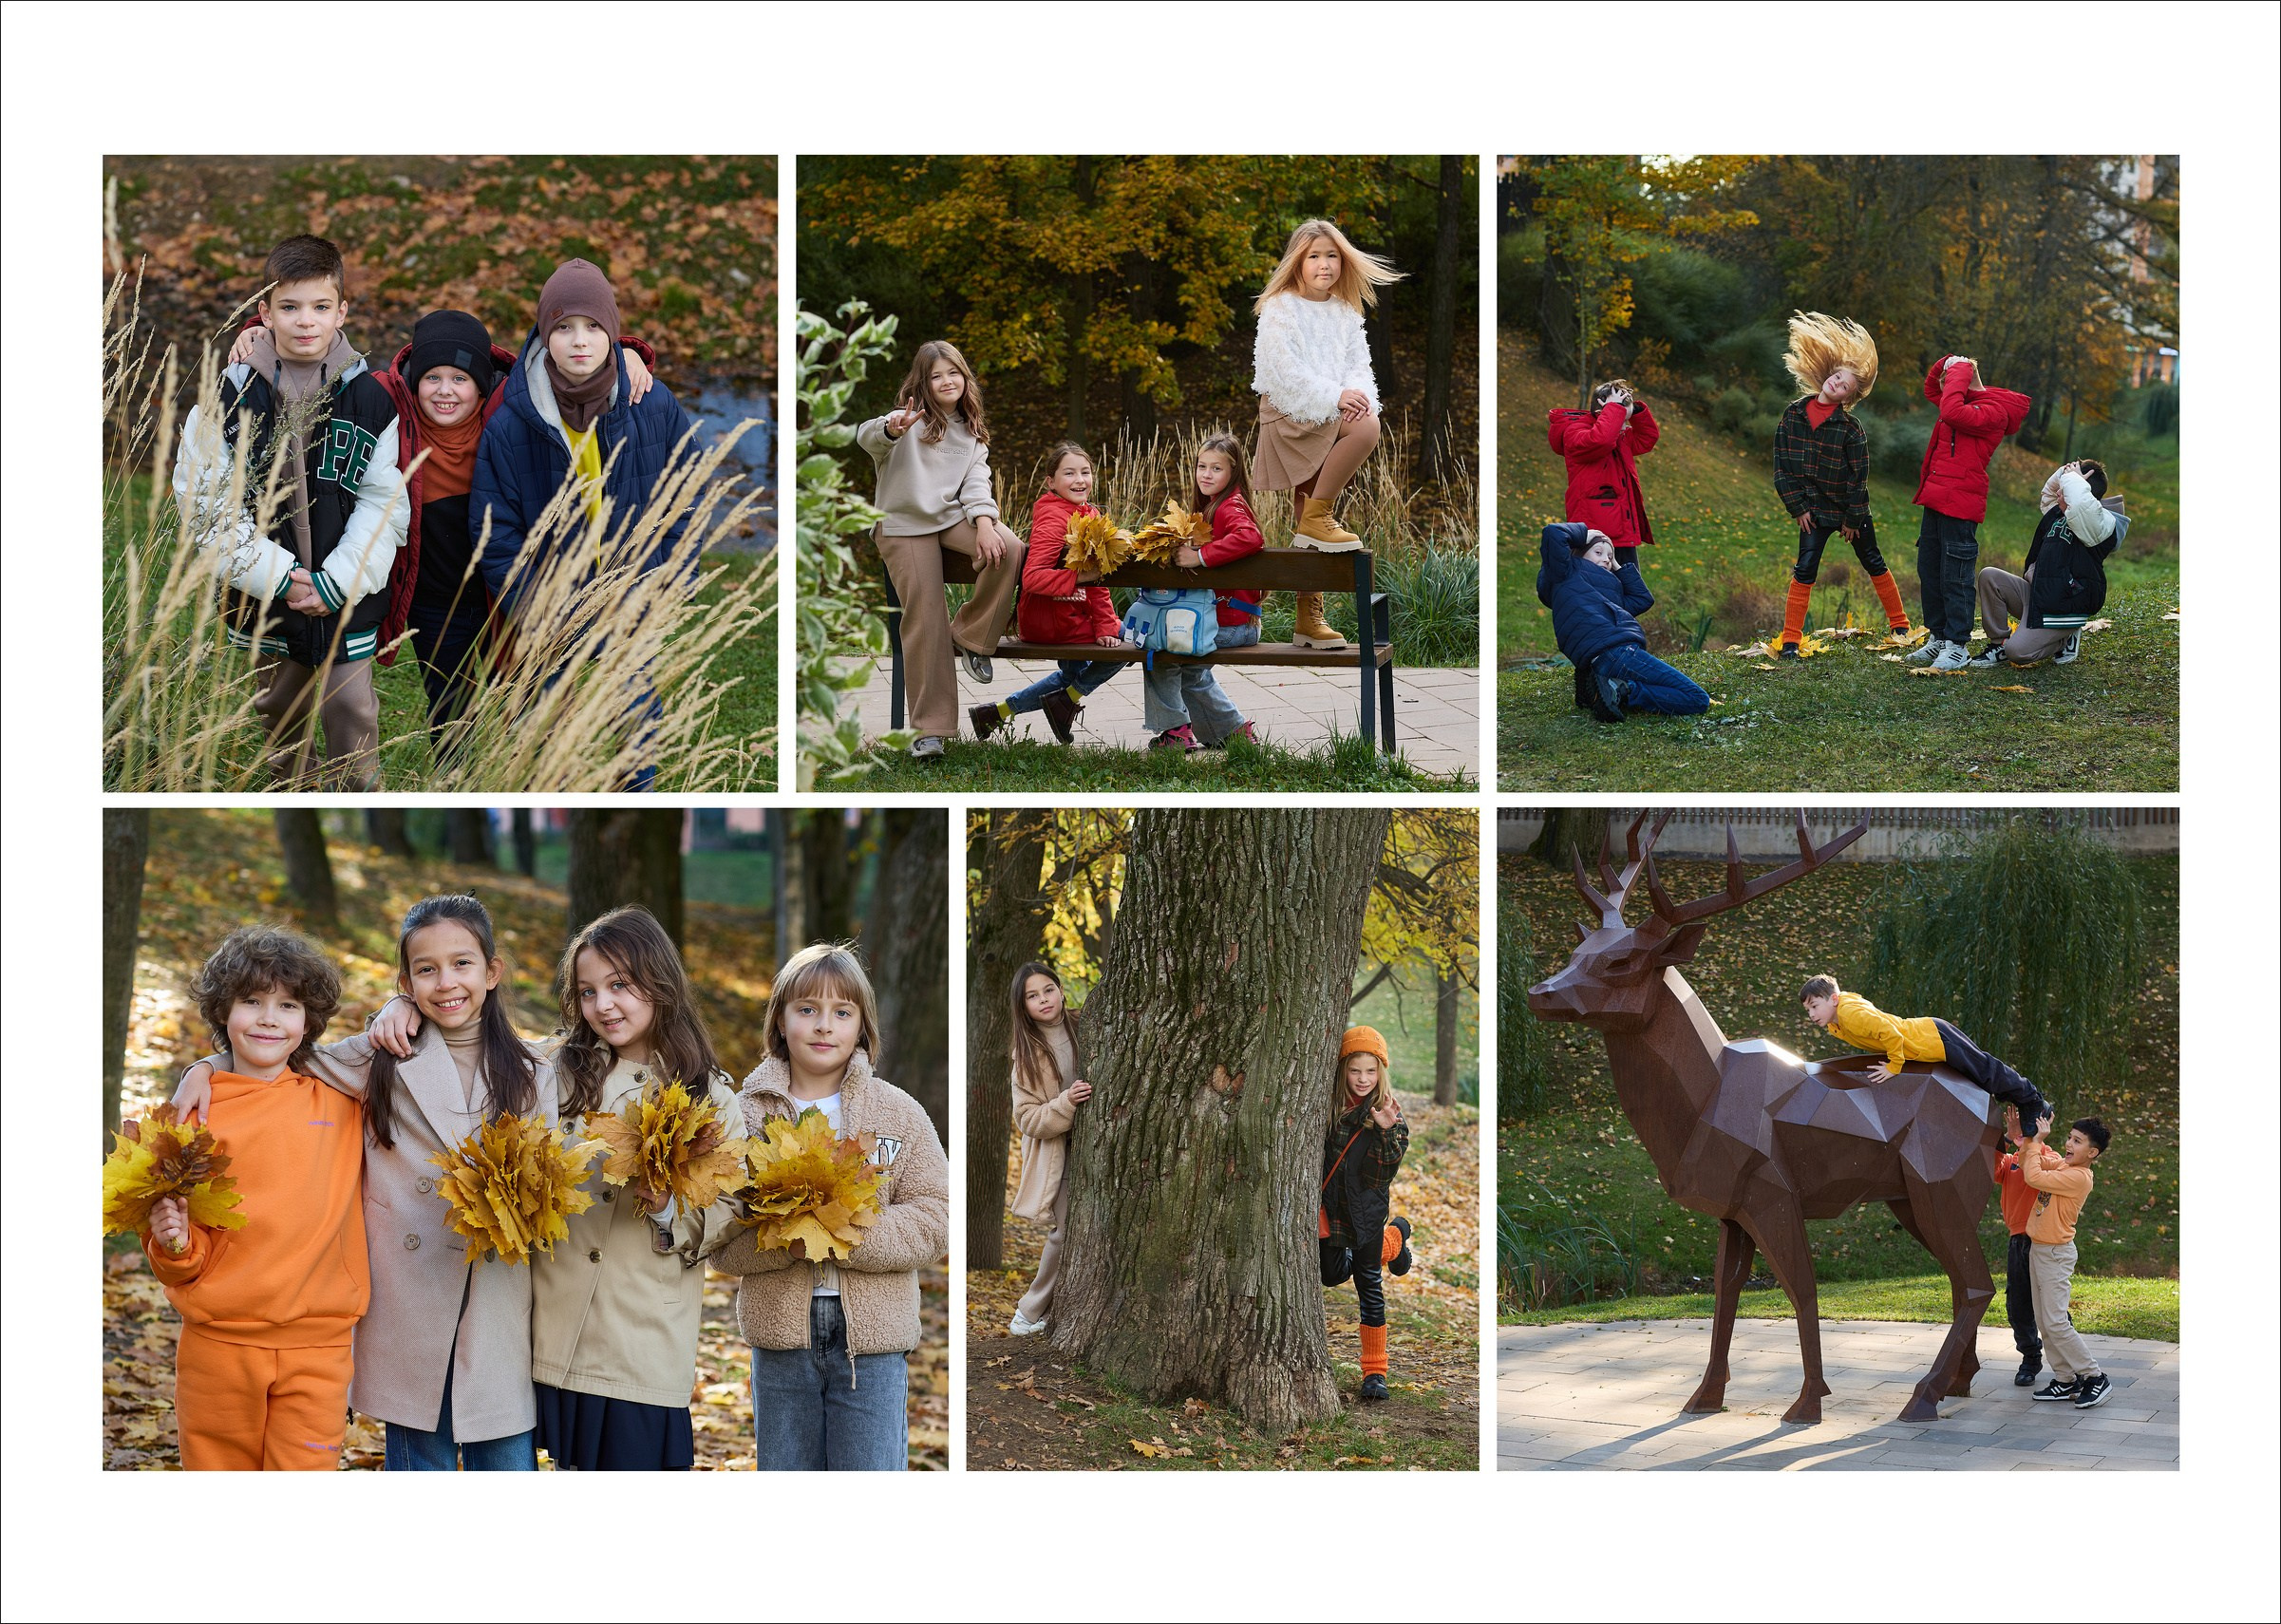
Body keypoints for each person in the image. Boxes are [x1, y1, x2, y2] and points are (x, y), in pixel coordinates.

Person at [177, 893, 552, 1470]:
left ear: (493, 972)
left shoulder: (536, 1070)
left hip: (496, 1297)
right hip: (411, 1300)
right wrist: (201, 1068)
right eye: (425, 970)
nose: (446, 981)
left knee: (505, 1458)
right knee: (418, 1458)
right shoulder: (383, 1054)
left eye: (462, 964)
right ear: (407, 981)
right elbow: (284, 1056)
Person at [170, 234, 407, 787]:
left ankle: (359, 791)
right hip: (264, 593)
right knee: (280, 706)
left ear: (342, 311)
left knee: (352, 708)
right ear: (265, 312)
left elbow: (384, 501)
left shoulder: (370, 399)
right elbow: (206, 503)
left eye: (321, 307)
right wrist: (282, 578)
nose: (306, 322)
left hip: (347, 592)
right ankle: (295, 783)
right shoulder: (230, 395)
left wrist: (337, 582)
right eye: (290, 307)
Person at [710, 944, 949, 1470]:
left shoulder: (897, 1112)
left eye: (842, 1013)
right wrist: (789, 1238)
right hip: (781, 1339)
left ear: (862, 1026)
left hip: (873, 1344)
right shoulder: (743, 1117)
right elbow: (719, 1239)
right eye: (807, 1010)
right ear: (780, 1019)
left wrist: (843, 1229)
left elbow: (936, 1216)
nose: (824, 1026)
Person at [529, 906, 747, 1470]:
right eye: (587, 991)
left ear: (661, 983)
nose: (603, 1005)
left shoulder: (709, 1097)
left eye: (620, 985)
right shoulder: (553, 1071)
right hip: (547, 1331)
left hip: (641, 1341)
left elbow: (729, 1210)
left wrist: (669, 1207)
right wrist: (400, 1004)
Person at [145, 928, 366, 1470]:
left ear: (308, 1021)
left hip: (320, 1344)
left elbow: (418, 1047)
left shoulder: (344, 1101)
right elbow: (174, 1243)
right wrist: (173, 1246)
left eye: (288, 1005)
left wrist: (403, 1003)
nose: (269, 1018)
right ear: (224, 1011)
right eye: (252, 1002)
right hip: (219, 1344)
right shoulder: (192, 1115)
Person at [858, 340, 1027, 760]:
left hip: (950, 517)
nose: (946, 381)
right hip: (902, 525)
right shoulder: (905, 420)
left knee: (1009, 546)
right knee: (926, 617)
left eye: (953, 372)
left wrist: (986, 524)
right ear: (924, 383)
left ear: (964, 377)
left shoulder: (971, 432)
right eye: (936, 376)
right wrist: (892, 427)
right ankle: (928, 731)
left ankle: (972, 636)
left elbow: (976, 484)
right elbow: (867, 437)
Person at [1251, 217, 1404, 649]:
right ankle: (1310, 603)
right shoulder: (1280, 307)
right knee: (1308, 512)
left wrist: (1356, 395)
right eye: (1314, 256)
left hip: (1334, 410)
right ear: (1298, 262)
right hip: (1294, 412)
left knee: (1367, 423)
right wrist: (1335, 395)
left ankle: (1307, 620)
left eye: (1332, 256)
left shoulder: (1345, 310)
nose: (1324, 265)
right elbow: (1280, 371)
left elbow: (1359, 364)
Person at [1770, 312, 1911, 658]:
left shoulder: (1851, 429)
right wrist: (1798, 507)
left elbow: (1859, 478)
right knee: (1805, 567)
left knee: (1873, 559)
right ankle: (1790, 641)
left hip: (1849, 508)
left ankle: (1901, 625)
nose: (1836, 383)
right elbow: (1781, 467)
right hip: (1813, 511)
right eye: (1836, 376)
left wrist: (1852, 518)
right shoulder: (1793, 414)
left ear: (1849, 397)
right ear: (1827, 376)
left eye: (1845, 384)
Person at [971, 442, 1126, 745]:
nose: (1080, 479)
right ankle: (1064, 702)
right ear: (1050, 482)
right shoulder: (1055, 519)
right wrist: (1081, 578)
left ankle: (996, 714)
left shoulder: (1088, 513)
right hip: (1050, 618)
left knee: (1072, 676)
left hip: (1067, 612)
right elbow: (1033, 578)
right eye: (1069, 473)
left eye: (1085, 472)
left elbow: (1096, 585)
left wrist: (1103, 624)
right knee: (1128, 643)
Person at [1911, 353, 2031, 670]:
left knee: (1955, 575)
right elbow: (1931, 389)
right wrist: (1949, 361)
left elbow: (1950, 410)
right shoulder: (1964, 400)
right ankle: (1938, 638)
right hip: (1936, 497)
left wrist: (1963, 369)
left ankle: (1957, 645)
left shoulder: (1995, 413)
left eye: (1959, 377)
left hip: (1961, 502)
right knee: (1930, 570)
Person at [1146, 433, 1265, 752]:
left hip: (1234, 624)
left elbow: (1251, 537)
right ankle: (1228, 732)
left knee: (1164, 654)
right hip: (1230, 620)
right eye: (1202, 466)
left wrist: (1200, 556)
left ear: (1234, 472)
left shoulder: (1229, 507)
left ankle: (1178, 732)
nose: (1206, 474)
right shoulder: (1216, 505)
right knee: (1179, 662)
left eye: (1216, 469)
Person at [1800, 974, 2050, 1124]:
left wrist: (1893, 1066)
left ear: (1833, 999)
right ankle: (2022, 1103)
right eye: (1808, 1010)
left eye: (1814, 1006)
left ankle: (2033, 1100)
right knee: (1978, 1077)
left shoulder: (1849, 1014)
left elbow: (1890, 1033)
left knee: (1985, 1071)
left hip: (1933, 1037)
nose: (1811, 1014)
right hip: (1926, 1039)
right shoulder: (1839, 1020)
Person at [1318, 1028, 1416, 1403]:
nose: (1363, 1080)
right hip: (1332, 1210)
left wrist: (1384, 1132)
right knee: (1330, 1274)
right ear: (1344, 1069)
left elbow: (1381, 1174)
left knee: (1369, 1286)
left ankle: (1375, 1373)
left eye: (1370, 1072)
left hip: (1368, 1213)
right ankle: (1397, 1240)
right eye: (1356, 1071)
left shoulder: (1387, 1111)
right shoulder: (1326, 1105)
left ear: (1381, 1072)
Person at [1537, 522, 1709, 722]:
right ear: (1579, 553)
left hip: (1602, 658)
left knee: (1680, 691)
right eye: (1598, 552)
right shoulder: (1566, 572)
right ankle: (1621, 689)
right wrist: (1584, 534)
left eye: (1609, 556)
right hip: (1617, 651)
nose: (1605, 560)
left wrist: (1617, 566)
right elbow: (1553, 532)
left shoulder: (1609, 591)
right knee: (1697, 698)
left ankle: (1602, 686)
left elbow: (1643, 599)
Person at [1970, 460, 2125, 668]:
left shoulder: (2100, 523)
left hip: (2065, 606)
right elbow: (2049, 492)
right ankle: (1999, 643)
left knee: (2017, 652)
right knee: (1990, 576)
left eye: (2068, 486)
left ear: (2082, 489)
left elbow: (2080, 504)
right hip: (2041, 595)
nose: (2061, 491)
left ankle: (2064, 638)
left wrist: (2075, 480)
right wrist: (2066, 471)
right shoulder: (2058, 512)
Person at [1005, 962, 1089, 1336]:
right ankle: (1029, 1310)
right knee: (1066, 1231)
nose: (1043, 1000)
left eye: (1048, 990)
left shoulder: (1087, 1025)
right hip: (1062, 1155)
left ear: (1060, 989)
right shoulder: (1025, 1056)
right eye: (1033, 996)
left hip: (1098, 1148)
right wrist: (1066, 1103)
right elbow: (1027, 1119)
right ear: (1022, 1006)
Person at [2015, 1109, 2114, 1409]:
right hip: (2039, 1250)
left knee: (2056, 1321)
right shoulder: (2063, 1164)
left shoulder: (2078, 1177)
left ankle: (2095, 1377)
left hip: (2056, 1255)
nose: (2069, 1144)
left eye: (2078, 1141)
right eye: (2069, 1138)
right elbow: (2026, 1163)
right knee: (2045, 1321)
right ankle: (2065, 1379)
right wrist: (2030, 1140)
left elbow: (2033, 1177)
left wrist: (2036, 1142)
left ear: (2092, 1153)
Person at [1548, 378, 1660, 565]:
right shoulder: (1574, 432)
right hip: (1595, 535)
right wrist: (1615, 411)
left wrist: (1636, 411)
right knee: (1598, 589)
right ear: (1604, 413)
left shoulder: (1618, 434)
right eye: (1622, 420)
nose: (1625, 427)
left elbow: (1647, 438)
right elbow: (1600, 441)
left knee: (1630, 588)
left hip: (1621, 529)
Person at [1993, 1111, 2044, 1388]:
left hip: (2043, 1241)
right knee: (2018, 1304)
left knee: (2050, 1306)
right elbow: (1990, 1168)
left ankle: (2071, 1361)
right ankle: (2030, 1357)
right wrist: (2003, 1139)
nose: (2020, 1130)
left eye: (2027, 1126)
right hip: (2017, 1241)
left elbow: (2036, 1170)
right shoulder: (2010, 1161)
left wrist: (2024, 1143)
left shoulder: (2050, 1157)